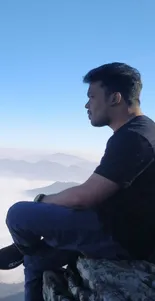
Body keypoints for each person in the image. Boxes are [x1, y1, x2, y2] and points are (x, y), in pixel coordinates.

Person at [1, 62, 155, 301]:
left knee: (18, 214)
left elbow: (86, 197)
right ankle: (29, 253)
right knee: (34, 262)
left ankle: (27, 249)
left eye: (92, 97)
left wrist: (42, 201)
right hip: (124, 229)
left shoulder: (133, 138)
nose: (86, 104)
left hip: (119, 237)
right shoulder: (143, 131)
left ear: (115, 98)